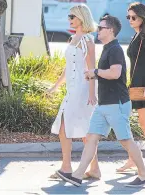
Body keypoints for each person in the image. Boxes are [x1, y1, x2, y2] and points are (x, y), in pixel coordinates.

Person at [56, 15, 145, 187]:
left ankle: (143, 174)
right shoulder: (107, 48)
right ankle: (78, 175)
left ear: (110, 30)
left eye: (101, 28)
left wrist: (95, 72)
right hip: (103, 104)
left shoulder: (115, 50)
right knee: (91, 138)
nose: (98, 30)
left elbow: (115, 73)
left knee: (126, 140)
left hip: (116, 103)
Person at [47, 4, 101, 180]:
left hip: (83, 89)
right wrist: (55, 86)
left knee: (65, 126)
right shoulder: (72, 39)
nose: (69, 19)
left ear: (81, 18)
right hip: (72, 89)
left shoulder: (88, 40)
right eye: (69, 16)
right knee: (85, 129)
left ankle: (66, 167)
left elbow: (92, 69)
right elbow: (67, 68)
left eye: (72, 16)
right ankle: (94, 169)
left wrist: (92, 94)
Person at [116, 2, 145, 173]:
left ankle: (135, 160)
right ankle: (133, 159)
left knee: (143, 124)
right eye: (128, 17)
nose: (130, 20)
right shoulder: (137, 36)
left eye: (133, 17)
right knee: (134, 123)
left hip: (142, 86)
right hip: (135, 85)